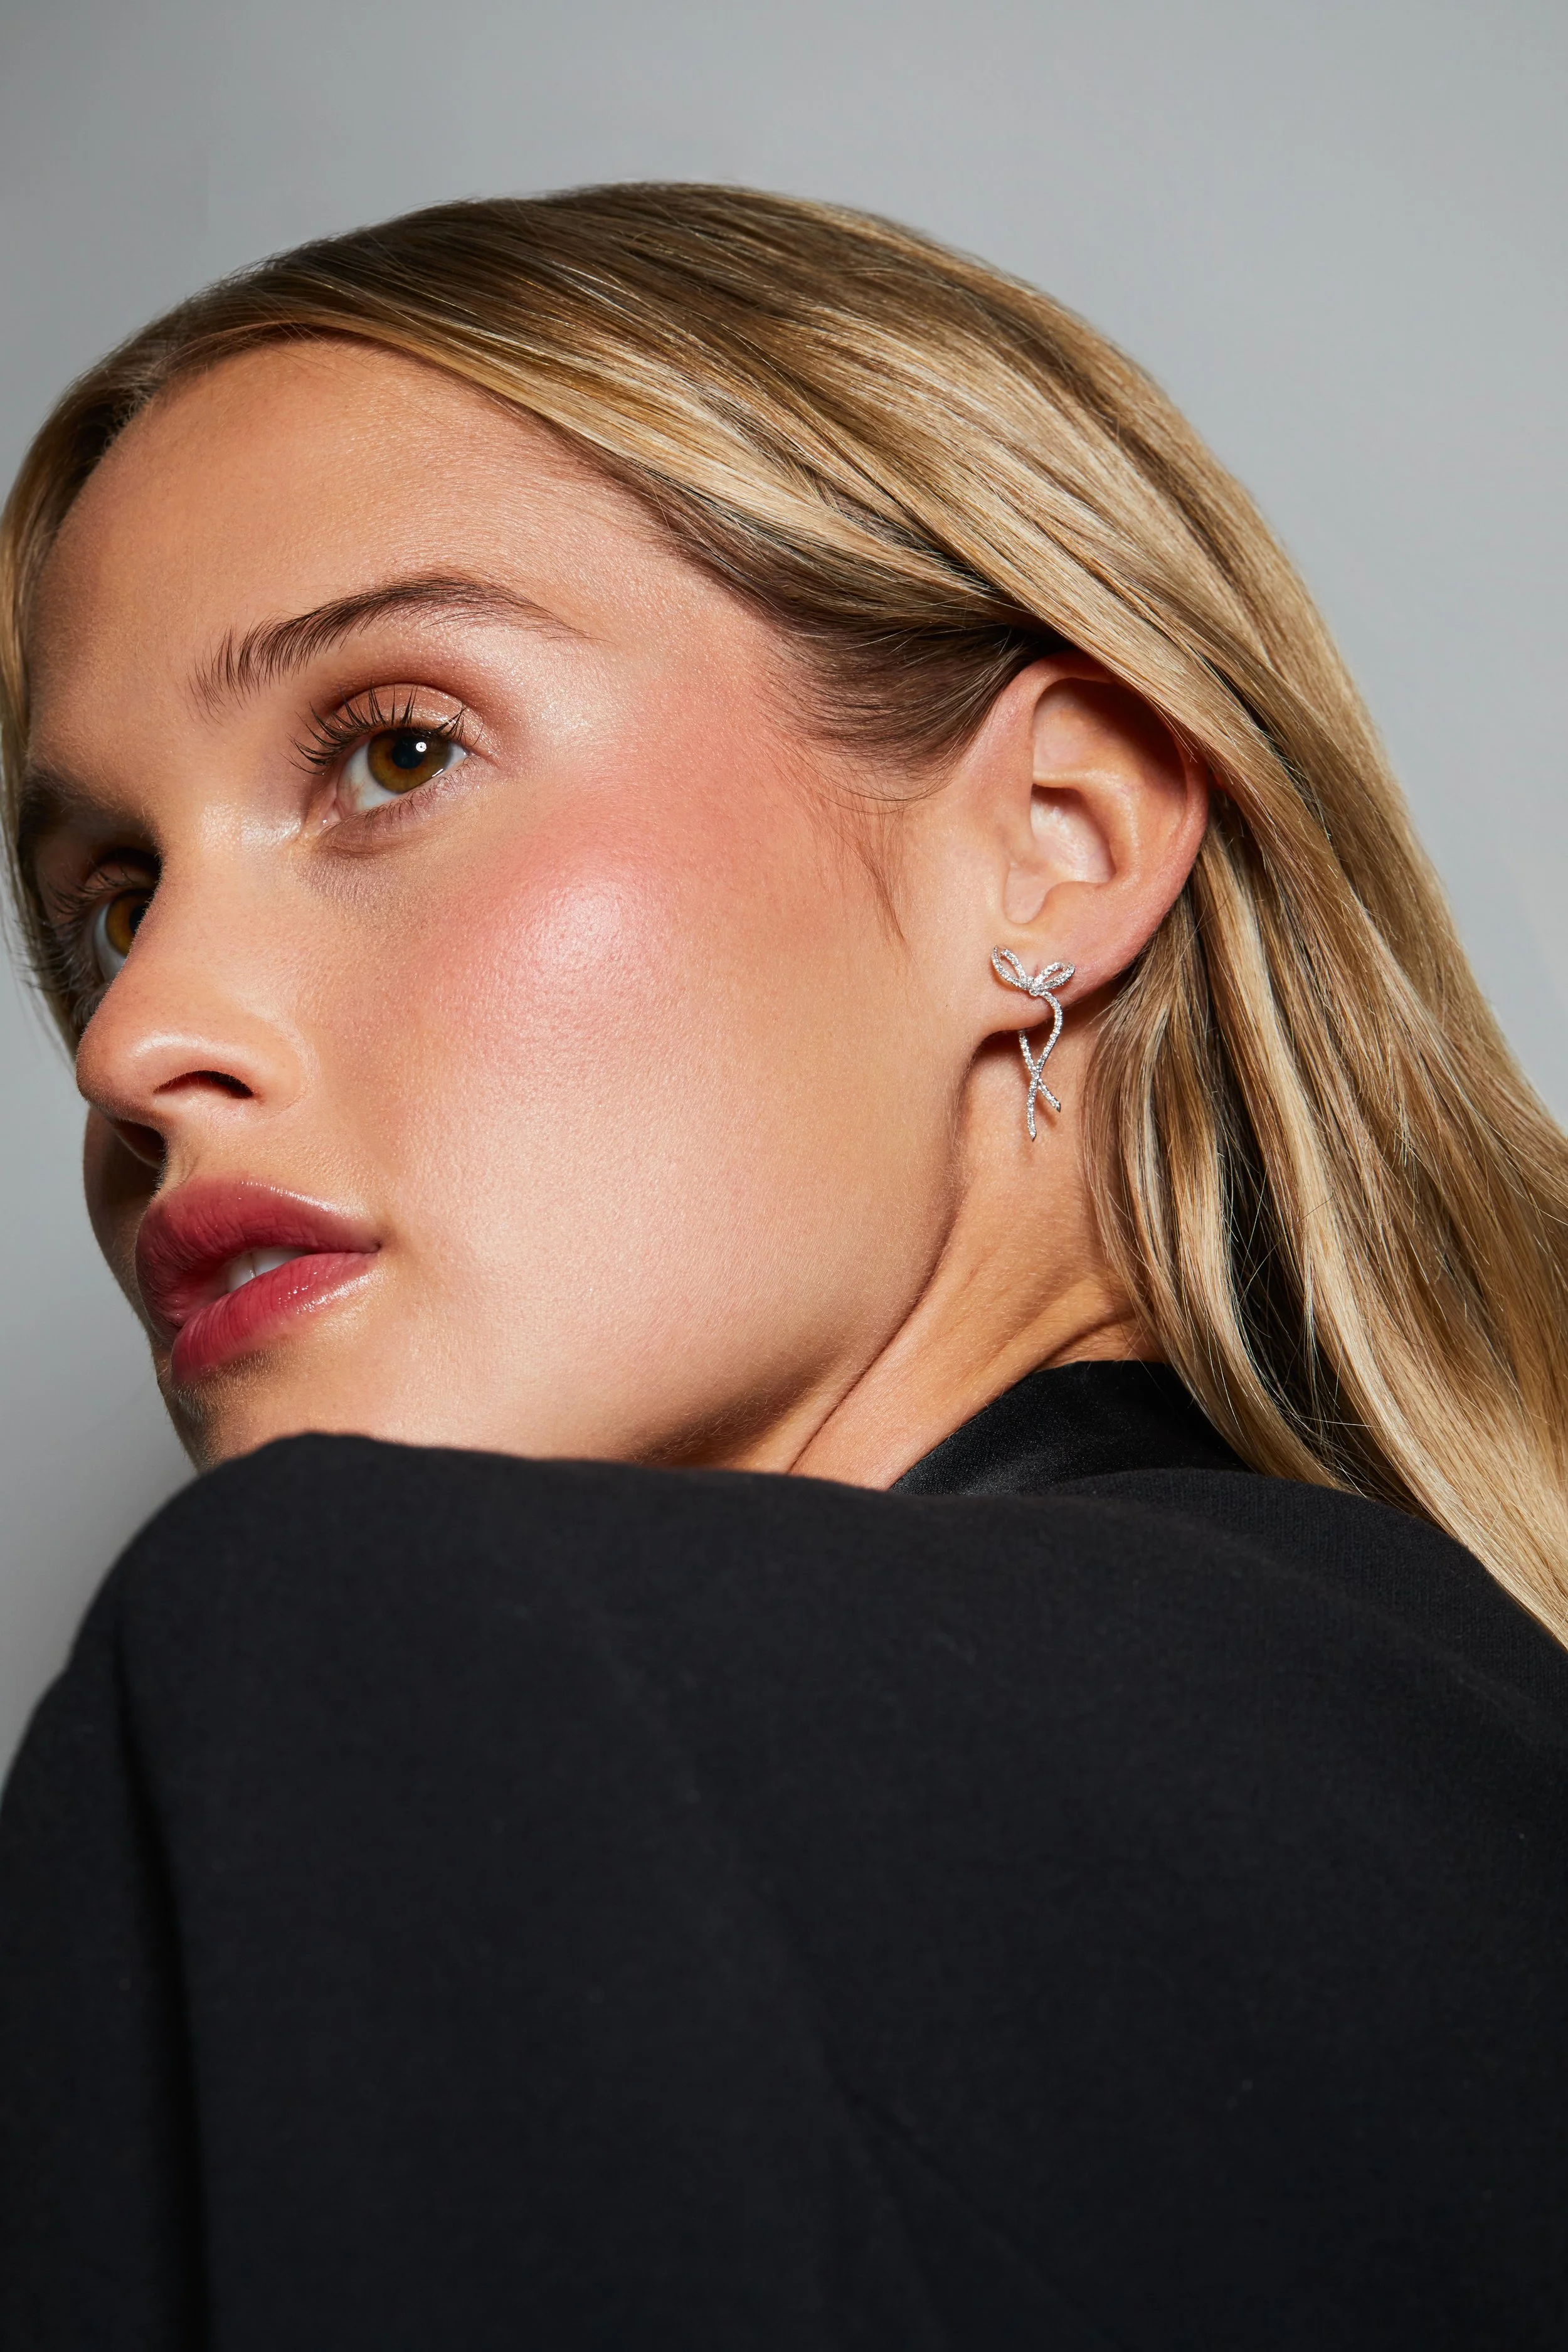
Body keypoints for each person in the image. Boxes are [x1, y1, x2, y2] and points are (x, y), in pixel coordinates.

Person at [2, 184, 1566, 2347]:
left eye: (395, 752)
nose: (133, 1038)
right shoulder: (1478, 1764)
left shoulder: (382, 1666)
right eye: (106, 893)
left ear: (1059, 840)